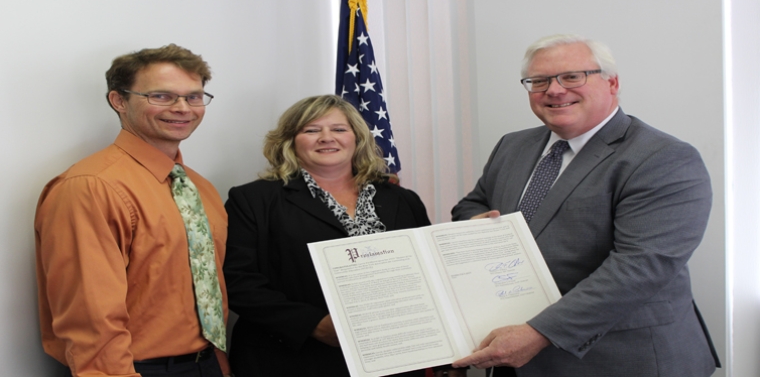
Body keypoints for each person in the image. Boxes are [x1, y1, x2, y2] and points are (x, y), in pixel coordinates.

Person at [450, 34, 720, 377]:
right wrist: (478, 225)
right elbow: (473, 203)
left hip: (620, 360)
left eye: (572, 76)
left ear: (612, 83)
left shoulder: (662, 158)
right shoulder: (512, 146)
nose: (555, 90)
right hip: (513, 354)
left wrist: (538, 333)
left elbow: (639, 268)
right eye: (539, 81)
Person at [223, 95, 465, 377]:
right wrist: (312, 324)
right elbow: (236, 280)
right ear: (290, 141)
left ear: (357, 138)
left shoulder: (403, 200)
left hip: (395, 359)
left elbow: (431, 275)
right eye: (312, 130)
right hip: (293, 361)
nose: (327, 138)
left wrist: (449, 360)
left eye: (339, 129)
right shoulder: (253, 200)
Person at [35, 44, 231, 377]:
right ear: (119, 101)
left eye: (194, 97)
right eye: (162, 96)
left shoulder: (200, 187)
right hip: (135, 369)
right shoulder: (91, 186)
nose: (183, 108)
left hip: (206, 364)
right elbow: (91, 320)